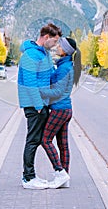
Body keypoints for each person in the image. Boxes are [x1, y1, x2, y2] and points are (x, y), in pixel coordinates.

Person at [18, 23, 62, 190]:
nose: (56, 45)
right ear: (46, 37)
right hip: (34, 105)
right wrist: (38, 105)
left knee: (36, 140)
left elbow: (49, 75)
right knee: (33, 140)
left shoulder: (45, 54)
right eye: (54, 41)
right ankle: (28, 178)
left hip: (41, 103)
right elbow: (30, 83)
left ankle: (31, 176)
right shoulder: (30, 55)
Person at [40, 37, 82, 189]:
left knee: (45, 140)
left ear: (65, 50)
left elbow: (57, 91)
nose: (57, 47)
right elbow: (55, 82)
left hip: (60, 110)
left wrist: (38, 91)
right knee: (63, 145)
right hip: (65, 110)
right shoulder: (64, 65)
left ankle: (60, 172)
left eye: (60, 45)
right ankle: (65, 177)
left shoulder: (65, 68)